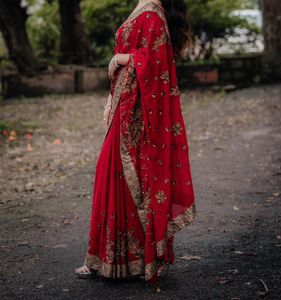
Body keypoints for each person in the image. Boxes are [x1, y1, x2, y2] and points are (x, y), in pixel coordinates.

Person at [75, 0, 197, 284]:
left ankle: (134, 258)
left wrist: (118, 59)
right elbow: (131, 59)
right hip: (122, 104)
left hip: (137, 112)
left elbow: (155, 61)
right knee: (110, 175)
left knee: (121, 177)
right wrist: (109, 101)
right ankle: (107, 258)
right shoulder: (142, 8)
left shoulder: (154, 14)